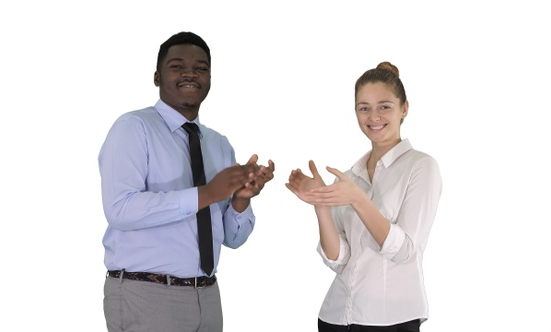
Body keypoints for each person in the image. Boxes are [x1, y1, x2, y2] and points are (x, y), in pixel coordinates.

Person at [98, 31, 275, 332]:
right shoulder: (133, 128)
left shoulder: (219, 144)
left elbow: (232, 239)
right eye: (177, 65)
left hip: (207, 296)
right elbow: (120, 210)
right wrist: (206, 193)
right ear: (157, 77)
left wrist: (240, 200)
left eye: (201, 68)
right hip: (147, 294)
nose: (191, 73)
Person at [286, 62, 442, 332]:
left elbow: (405, 250)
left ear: (404, 108)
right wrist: (320, 205)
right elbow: (339, 260)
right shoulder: (349, 177)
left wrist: (359, 201)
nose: (374, 117)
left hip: (389, 319)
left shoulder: (421, 166)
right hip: (335, 317)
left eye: (384, 106)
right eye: (364, 108)